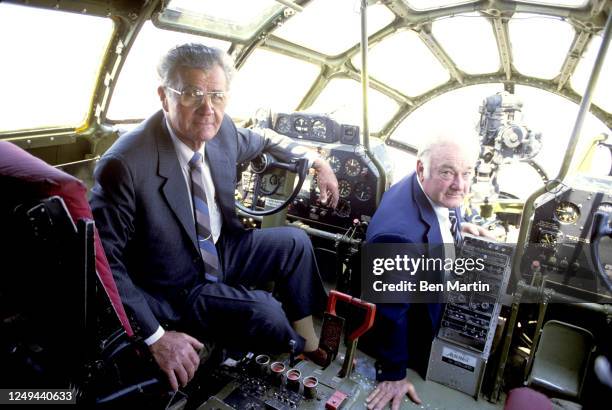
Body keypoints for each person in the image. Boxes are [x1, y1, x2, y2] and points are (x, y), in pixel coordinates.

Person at [90, 43, 339, 391]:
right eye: (192, 93)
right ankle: (291, 353)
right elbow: (102, 261)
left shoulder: (222, 132)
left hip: (221, 250)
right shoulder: (126, 164)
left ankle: (309, 343)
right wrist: (155, 337)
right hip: (176, 286)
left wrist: (316, 160)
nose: (208, 108)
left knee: (295, 242)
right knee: (265, 312)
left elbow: (264, 139)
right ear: (165, 96)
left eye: (218, 95)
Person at [363, 130, 492, 410]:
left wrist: (458, 228)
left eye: (467, 173)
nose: (460, 185)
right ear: (421, 168)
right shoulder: (398, 237)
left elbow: (445, 208)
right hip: (413, 329)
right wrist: (394, 373)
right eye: (448, 173)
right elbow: (391, 312)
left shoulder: (427, 187)